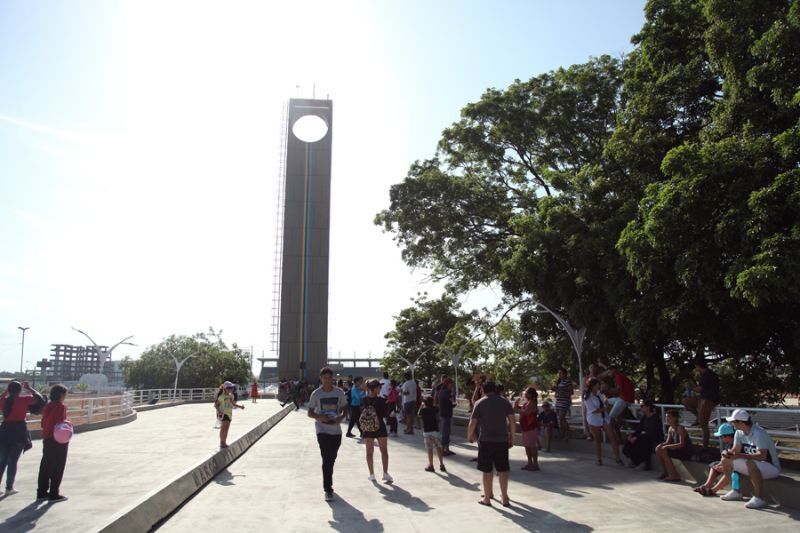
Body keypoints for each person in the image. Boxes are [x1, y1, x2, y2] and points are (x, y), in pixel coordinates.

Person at [719, 408, 781, 509]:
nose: (732, 424)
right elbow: (736, 450)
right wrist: (727, 453)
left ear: (741, 422)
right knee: (725, 460)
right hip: (754, 465)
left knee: (751, 462)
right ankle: (736, 491)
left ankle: (759, 498)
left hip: (771, 468)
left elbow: (762, 456)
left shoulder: (759, 433)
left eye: (733, 422)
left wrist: (739, 455)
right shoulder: (739, 432)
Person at [468, 381, 515, 507]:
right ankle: (504, 497)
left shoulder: (480, 403)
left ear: (483, 389)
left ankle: (487, 498)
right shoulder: (505, 402)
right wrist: (512, 437)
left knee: (487, 470)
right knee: (503, 469)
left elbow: (472, 422)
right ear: (495, 389)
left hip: (486, 441)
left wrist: (470, 435)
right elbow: (512, 420)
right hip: (502, 440)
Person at [307, 366, 347, 501]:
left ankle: (328, 481)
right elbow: (310, 413)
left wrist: (341, 417)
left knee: (332, 458)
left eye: (330, 378)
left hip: (336, 431)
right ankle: (328, 488)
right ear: (321, 379)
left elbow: (345, 409)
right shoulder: (316, 394)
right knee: (326, 459)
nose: (327, 380)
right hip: (322, 430)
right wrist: (320, 417)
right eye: (325, 378)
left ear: (332, 378)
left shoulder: (339, 393)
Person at [0, 381, 45, 497]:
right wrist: (29, 388)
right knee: (12, 461)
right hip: (19, 431)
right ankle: (9, 488)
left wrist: (5, 392)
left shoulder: (3, 401)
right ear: (20, 390)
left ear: (9, 390)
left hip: (4, 431)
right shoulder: (24, 400)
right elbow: (40, 399)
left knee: (2, 461)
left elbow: (1, 398)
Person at [36, 384, 69, 502]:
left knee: (45, 465)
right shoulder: (60, 406)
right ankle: (54, 493)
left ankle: (41, 492)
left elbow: (43, 422)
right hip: (58, 440)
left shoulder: (48, 406)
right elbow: (61, 423)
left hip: (47, 438)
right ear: (61, 395)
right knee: (58, 466)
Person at [583, 378, 623, 466]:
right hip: (594, 419)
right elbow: (592, 410)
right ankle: (599, 459)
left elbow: (604, 400)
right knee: (598, 439)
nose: (599, 386)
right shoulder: (588, 397)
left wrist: (606, 403)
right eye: (597, 385)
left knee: (612, 436)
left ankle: (618, 458)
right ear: (593, 386)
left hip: (604, 417)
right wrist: (605, 408)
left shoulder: (599, 393)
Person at [682, 359, 720, 448]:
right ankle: (698, 416)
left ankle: (705, 447)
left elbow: (700, 389)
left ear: (698, 366)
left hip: (708, 399)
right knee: (686, 401)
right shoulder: (707, 374)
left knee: (703, 425)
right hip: (703, 398)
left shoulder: (707, 375)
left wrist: (690, 387)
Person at [360, 379, 392, 483]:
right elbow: (384, 415)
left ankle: (371, 474)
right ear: (373, 389)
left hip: (368, 428)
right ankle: (385, 473)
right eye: (378, 387)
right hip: (380, 427)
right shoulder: (382, 400)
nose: (380, 388)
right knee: (384, 452)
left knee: (369, 452)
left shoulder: (364, 400)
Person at [693, 422, 736, 496]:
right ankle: (706, 485)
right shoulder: (729, 443)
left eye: (721, 437)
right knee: (714, 466)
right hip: (729, 463)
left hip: (735, 465)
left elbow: (733, 458)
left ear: (727, 437)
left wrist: (723, 466)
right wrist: (719, 465)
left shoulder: (735, 443)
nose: (721, 439)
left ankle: (713, 490)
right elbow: (725, 457)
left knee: (727, 471)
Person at [622, 399, 663, 470]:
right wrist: (632, 436)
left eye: (642, 406)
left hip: (654, 438)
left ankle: (646, 463)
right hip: (644, 436)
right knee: (630, 441)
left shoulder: (655, 418)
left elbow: (652, 432)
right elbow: (639, 429)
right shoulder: (644, 417)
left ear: (648, 407)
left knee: (642, 441)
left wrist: (637, 437)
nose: (640, 408)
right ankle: (635, 461)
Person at [655, 409, 692, 481]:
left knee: (664, 452)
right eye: (666, 417)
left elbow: (681, 444)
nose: (667, 419)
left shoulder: (680, 428)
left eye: (669, 417)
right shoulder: (670, 428)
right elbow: (668, 442)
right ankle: (666, 472)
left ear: (675, 418)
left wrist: (666, 446)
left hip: (685, 452)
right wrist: (660, 445)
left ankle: (674, 475)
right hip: (677, 450)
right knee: (658, 449)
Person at [514, 387, 540, 471]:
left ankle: (535, 464)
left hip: (531, 427)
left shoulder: (532, 403)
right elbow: (522, 409)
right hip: (526, 427)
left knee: (532, 446)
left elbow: (526, 412)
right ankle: (530, 463)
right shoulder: (527, 402)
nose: (525, 394)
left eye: (526, 393)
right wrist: (517, 406)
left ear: (530, 394)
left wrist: (519, 409)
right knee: (527, 446)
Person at [418, 396, 446, 472]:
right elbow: (437, 408)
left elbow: (419, 415)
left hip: (427, 431)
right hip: (435, 430)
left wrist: (421, 405)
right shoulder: (434, 409)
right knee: (439, 447)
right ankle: (442, 464)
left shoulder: (423, 410)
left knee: (429, 449)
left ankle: (431, 465)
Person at [215, 381, 245, 448]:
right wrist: (219, 412)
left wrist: (240, 407)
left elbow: (233, 404)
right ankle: (222, 442)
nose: (231, 389)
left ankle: (224, 442)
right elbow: (216, 405)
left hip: (229, 414)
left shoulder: (231, 396)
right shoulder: (221, 397)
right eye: (229, 388)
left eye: (232, 387)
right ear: (225, 388)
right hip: (223, 414)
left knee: (227, 429)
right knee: (223, 428)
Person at [553, 368, 573, 440]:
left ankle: (568, 433)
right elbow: (557, 393)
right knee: (560, 419)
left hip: (565, 401)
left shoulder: (568, 381)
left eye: (561, 373)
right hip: (559, 400)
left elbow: (571, 392)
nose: (559, 374)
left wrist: (561, 392)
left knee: (561, 417)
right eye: (559, 373)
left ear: (565, 374)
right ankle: (563, 434)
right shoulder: (559, 382)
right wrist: (556, 391)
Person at [438, 377, 456, 456]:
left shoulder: (442, 390)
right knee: (445, 433)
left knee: (446, 432)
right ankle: (443, 450)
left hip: (444, 413)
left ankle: (446, 449)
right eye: (451, 383)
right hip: (446, 414)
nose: (452, 385)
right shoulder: (447, 391)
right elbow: (452, 400)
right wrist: (453, 391)